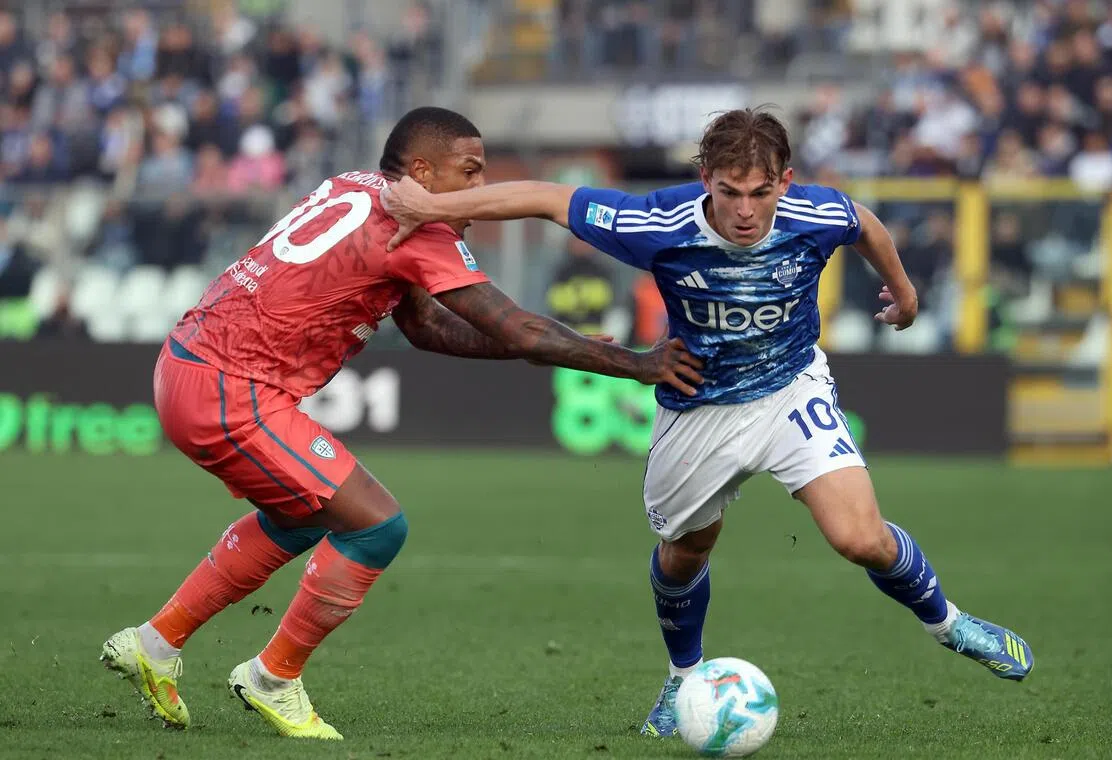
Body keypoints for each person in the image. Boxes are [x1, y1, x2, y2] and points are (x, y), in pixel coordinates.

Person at [379, 107, 1035, 739]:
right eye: (729, 193)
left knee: (859, 537)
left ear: (783, 182)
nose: (745, 211)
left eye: (759, 193)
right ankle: (681, 677)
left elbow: (863, 223)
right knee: (687, 551)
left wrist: (906, 290)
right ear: (706, 183)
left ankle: (949, 624)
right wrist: (433, 208)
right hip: (697, 403)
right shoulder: (656, 223)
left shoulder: (814, 211)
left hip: (789, 389)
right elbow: (549, 198)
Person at [99, 106, 703, 741]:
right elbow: (516, 325)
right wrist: (633, 363)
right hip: (231, 387)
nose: (481, 191)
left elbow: (426, 327)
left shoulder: (352, 185)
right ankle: (273, 677)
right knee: (377, 526)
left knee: (304, 515)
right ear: (422, 171)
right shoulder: (421, 234)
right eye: (469, 174)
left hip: (186, 365)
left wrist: (543, 344)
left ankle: (155, 644)